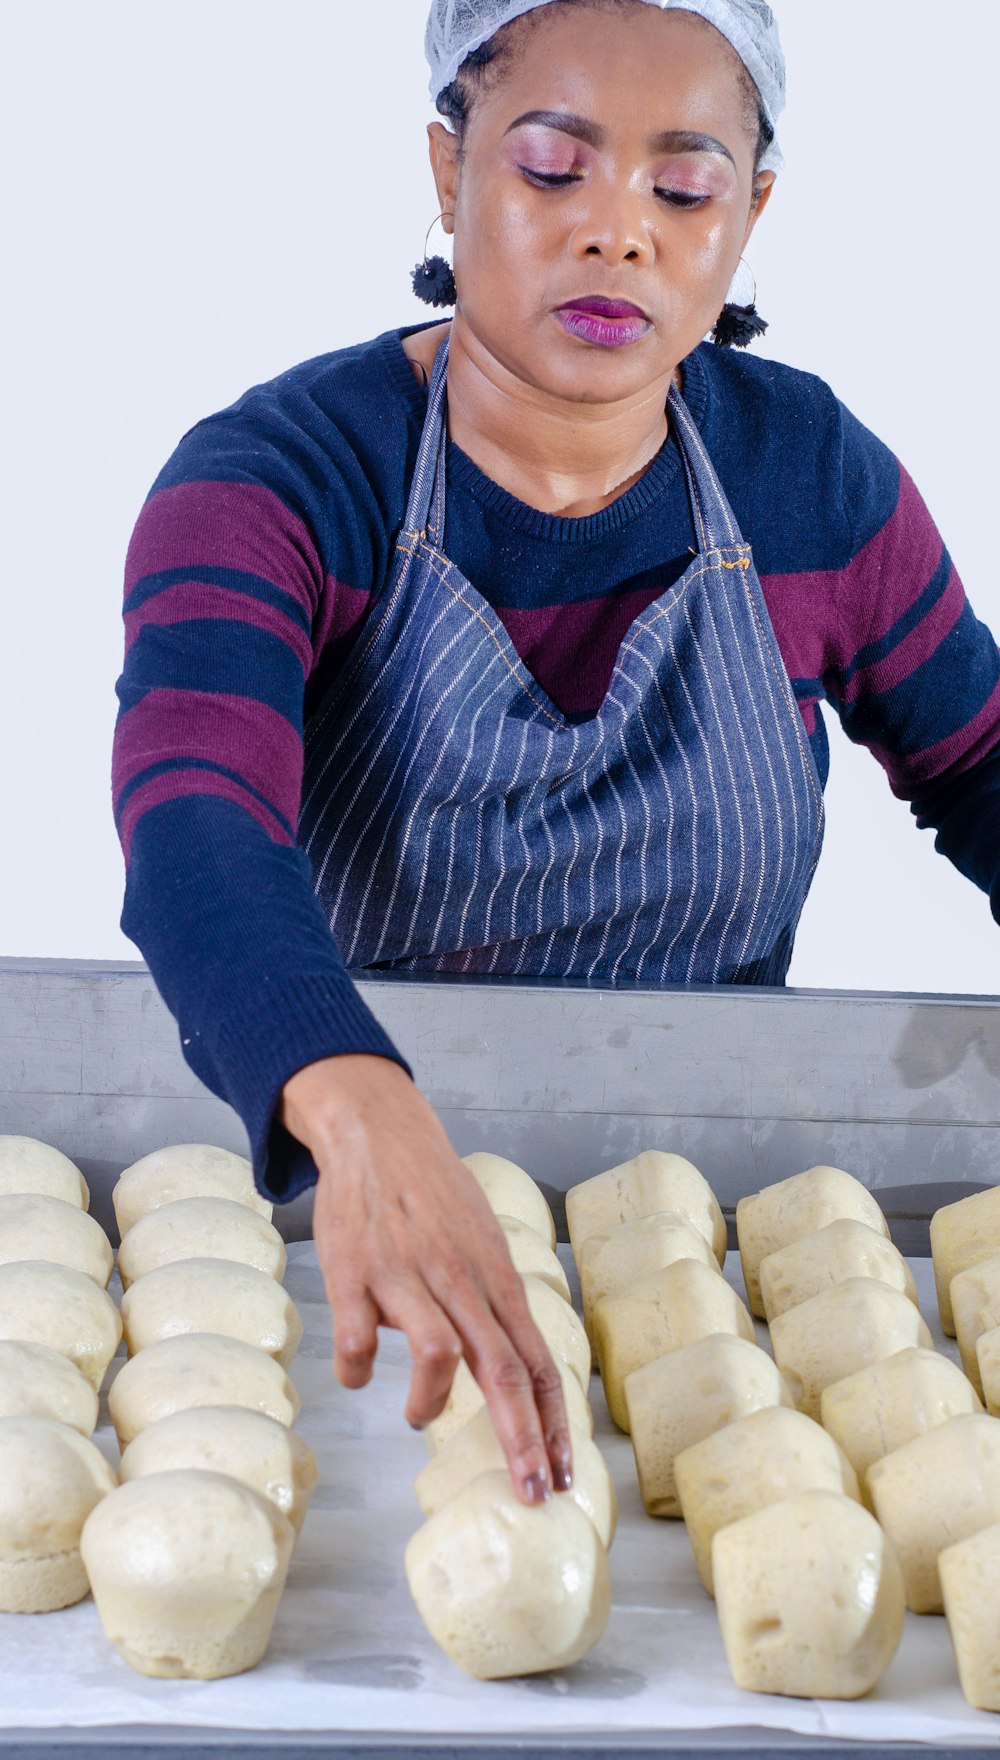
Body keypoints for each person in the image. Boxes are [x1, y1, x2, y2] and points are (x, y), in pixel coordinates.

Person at [111, 0, 1000, 1508]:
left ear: (750, 215)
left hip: (711, 1247)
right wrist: (356, 1108)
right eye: (551, 168)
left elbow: (983, 768)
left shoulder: (808, 478)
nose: (618, 237)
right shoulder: (276, 482)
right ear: (446, 170)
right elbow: (196, 819)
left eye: (684, 186)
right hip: (348, 1218)